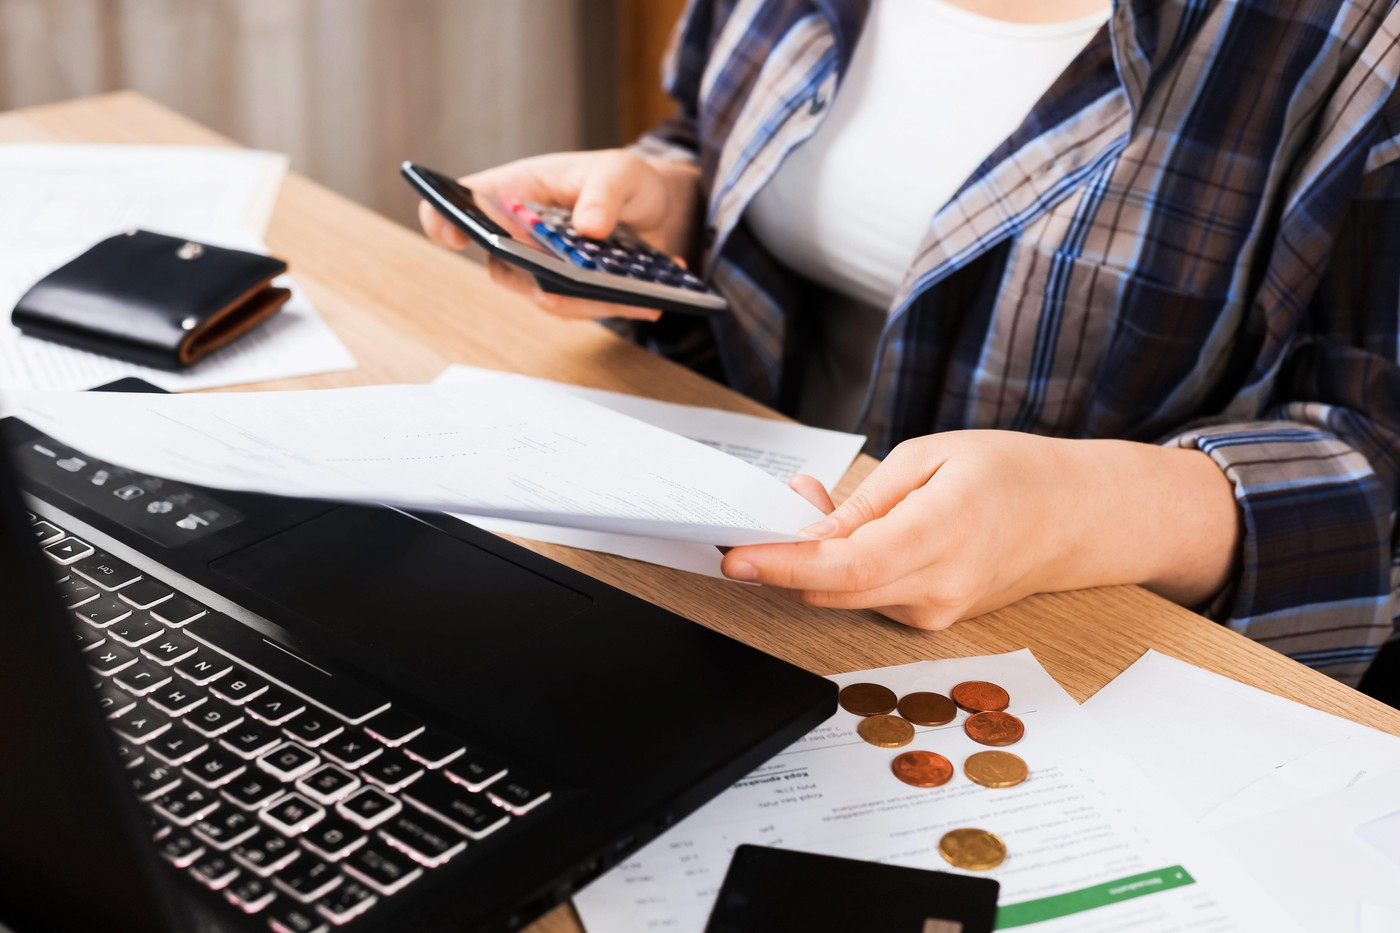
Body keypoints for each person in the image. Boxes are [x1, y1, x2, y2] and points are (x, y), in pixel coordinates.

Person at [420, 0, 1400, 687]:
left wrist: (1073, 512)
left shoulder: (1355, 35)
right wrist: (671, 203)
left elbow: (1375, 460)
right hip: (708, 563)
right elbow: (702, 133)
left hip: (1052, 658)